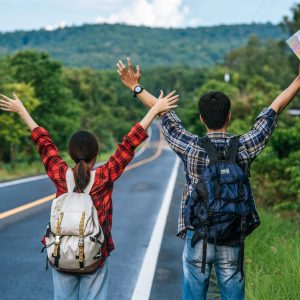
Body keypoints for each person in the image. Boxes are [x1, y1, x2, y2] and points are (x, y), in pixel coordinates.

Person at [116, 57, 300, 300]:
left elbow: (164, 115)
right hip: (233, 235)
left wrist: (136, 87)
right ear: (229, 116)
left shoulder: (191, 147)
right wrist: (298, 80)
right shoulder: (244, 146)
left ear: (202, 118)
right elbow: (272, 112)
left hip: (198, 236)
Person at [0, 89, 178, 300]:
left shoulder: (60, 175)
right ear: (95, 155)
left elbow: (44, 143)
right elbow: (128, 144)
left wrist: (22, 110)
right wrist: (155, 108)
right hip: (95, 256)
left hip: (62, 253)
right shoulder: (103, 177)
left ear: (71, 154)